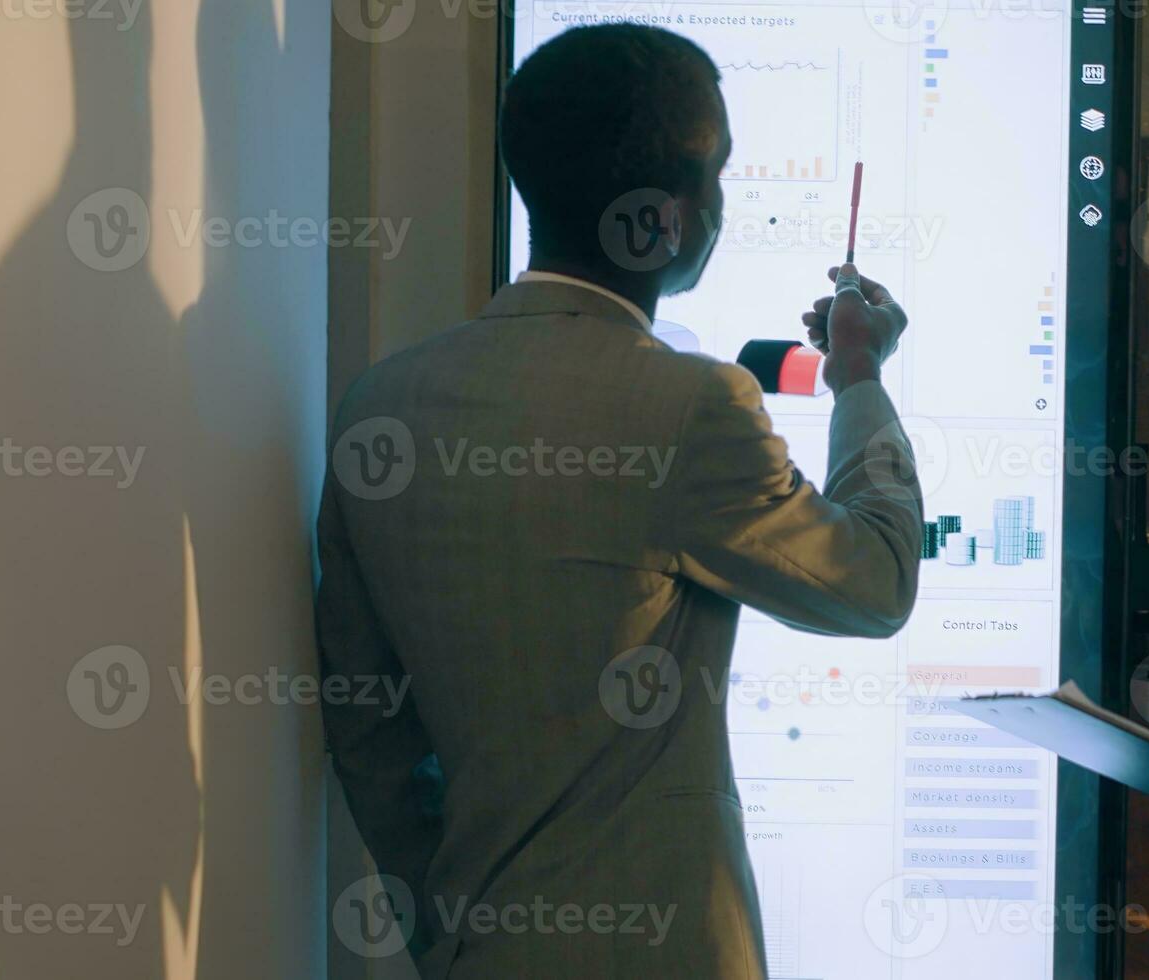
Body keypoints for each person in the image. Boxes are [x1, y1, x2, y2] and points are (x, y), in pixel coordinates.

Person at [315, 25, 921, 978]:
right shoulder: (691, 404)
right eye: (715, 176)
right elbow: (875, 581)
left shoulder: (377, 409)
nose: (722, 205)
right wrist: (857, 378)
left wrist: (455, 929)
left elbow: (365, 723)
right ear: (658, 218)